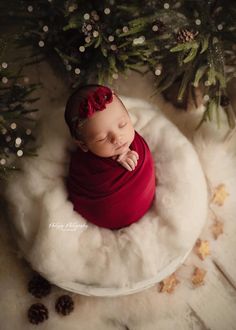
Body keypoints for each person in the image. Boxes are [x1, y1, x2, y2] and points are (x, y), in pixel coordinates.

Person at [64, 84, 156, 230]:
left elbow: (147, 172)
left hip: (144, 202)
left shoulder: (137, 145)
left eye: (122, 124)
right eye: (101, 138)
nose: (117, 138)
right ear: (83, 145)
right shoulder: (85, 168)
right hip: (109, 215)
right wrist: (115, 161)